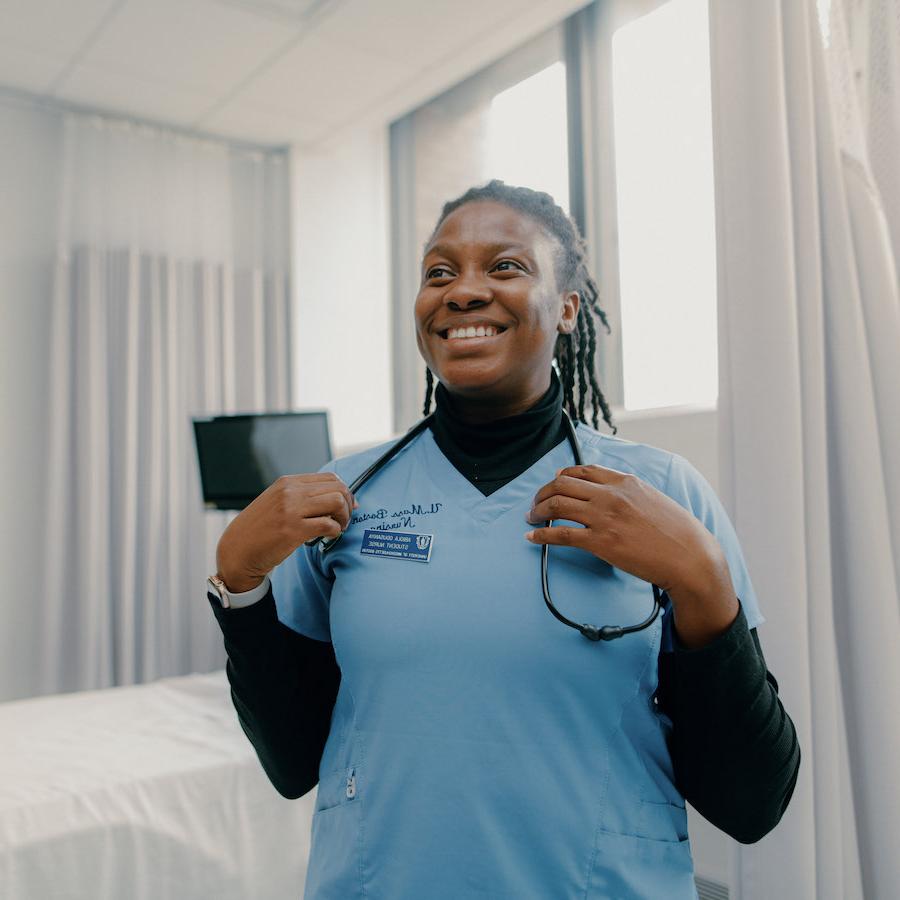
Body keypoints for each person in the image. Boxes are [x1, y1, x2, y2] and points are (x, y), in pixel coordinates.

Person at [207, 180, 800, 899]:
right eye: (439, 272)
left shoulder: (662, 493)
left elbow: (752, 805)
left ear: (568, 309)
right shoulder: (344, 495)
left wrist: (703, 579)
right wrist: (239, 582)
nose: (463, 292)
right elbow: (293, 763)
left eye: (506, 267)